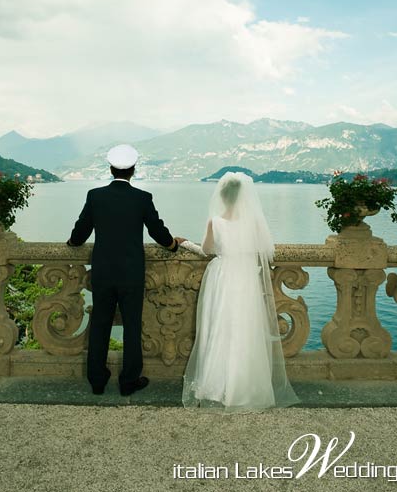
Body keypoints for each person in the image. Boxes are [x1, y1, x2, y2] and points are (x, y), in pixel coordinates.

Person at [67, 144, 185, 396]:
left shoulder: (95, 196)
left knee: (100, 323)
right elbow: (157, 231)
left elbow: (81, 230)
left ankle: (97, 380)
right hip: (132, 272)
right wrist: (173, 245)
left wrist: (72, 243)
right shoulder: (142, 198)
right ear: (133, 170)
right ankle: (129, 381)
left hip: (102, 271)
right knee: (132, 326)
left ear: (110, 169)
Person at [181, 172, 299, 413]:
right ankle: (246, 387)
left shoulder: (215, 221)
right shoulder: (253, 222)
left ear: (222, 197)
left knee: (222, 328)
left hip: (224, 277)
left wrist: (185, 244)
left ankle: (218, 386)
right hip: (246, 277)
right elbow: (264, 248)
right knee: (246, 329)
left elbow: (206, 250)